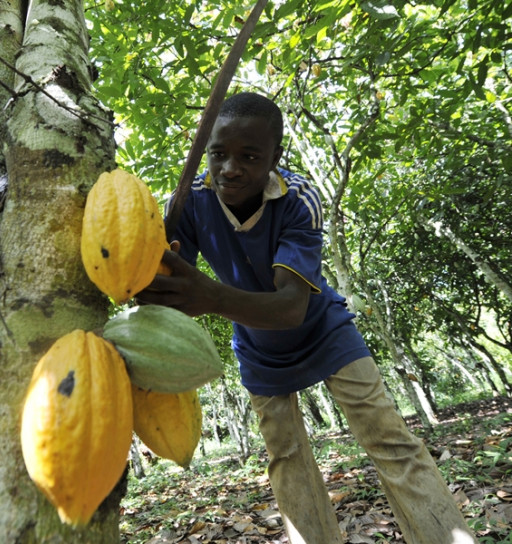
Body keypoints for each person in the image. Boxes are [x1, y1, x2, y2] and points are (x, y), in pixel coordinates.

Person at [137, 92, 476, 544]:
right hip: (257, 348)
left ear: (276, 157)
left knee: (389, 439)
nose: (230, 169)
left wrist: (207, 295)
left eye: (250, 156)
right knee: (286, 457)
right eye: (218, 154)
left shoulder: (298, 199)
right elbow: (164, 281)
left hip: (323, 331)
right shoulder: (189, 202)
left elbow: (291, 305)